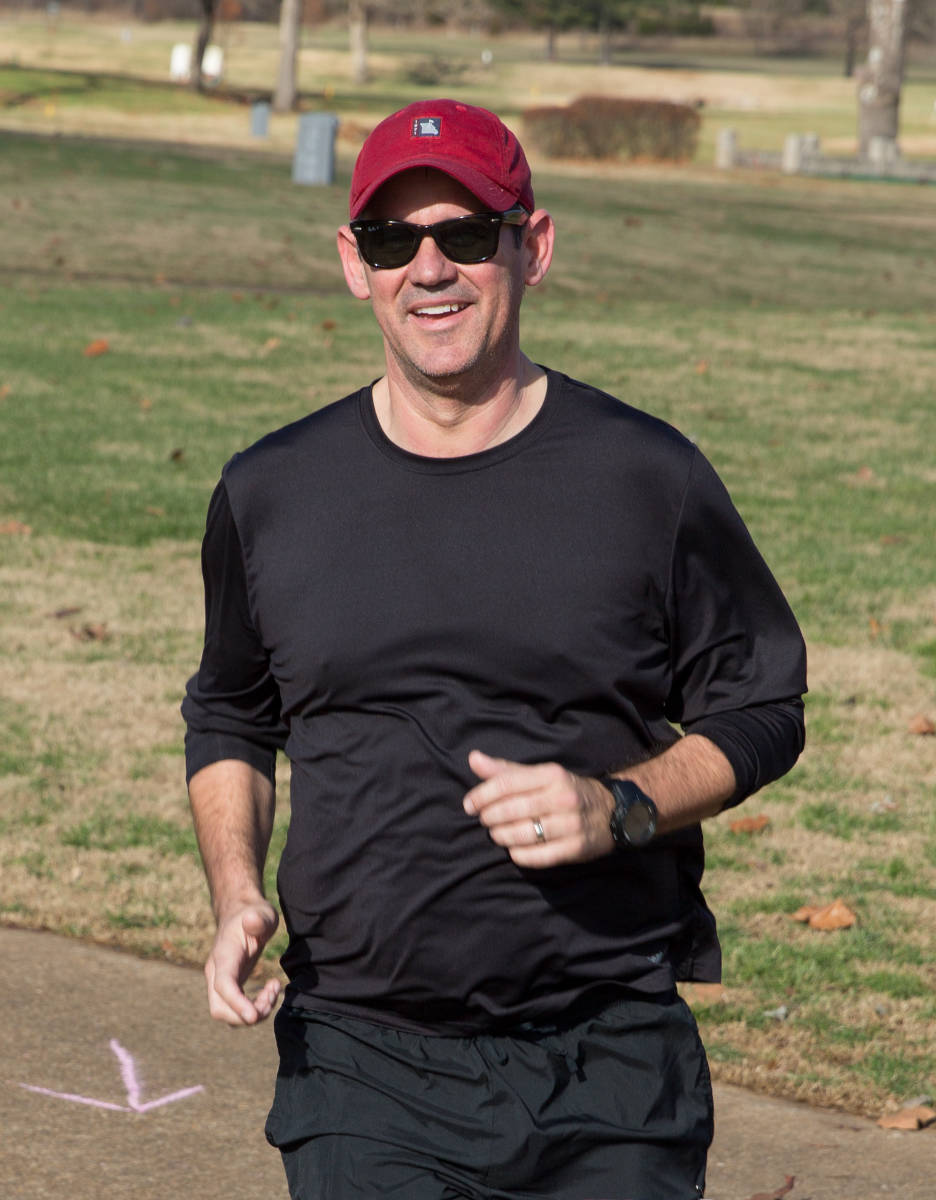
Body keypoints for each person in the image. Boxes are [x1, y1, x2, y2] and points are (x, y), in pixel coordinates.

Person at [182, 99, 807, 1200]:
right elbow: (232, 714)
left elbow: (761, 707)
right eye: (394, 242)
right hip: (361, 1057)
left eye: (467, 235)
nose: (429, 269)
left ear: (534, 246)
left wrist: (619, 805)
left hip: (609, 1055)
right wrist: (235, 892)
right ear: (355, 265)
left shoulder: (647, 478)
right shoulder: (269, 492)